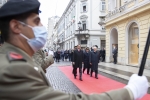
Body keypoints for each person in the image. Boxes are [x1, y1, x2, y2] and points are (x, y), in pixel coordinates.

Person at [0, 0, 149, 100]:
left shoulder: (19, 60)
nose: (41, 28)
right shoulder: (13, 68)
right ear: (16, 26)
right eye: (36, 22)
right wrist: (131, 91)